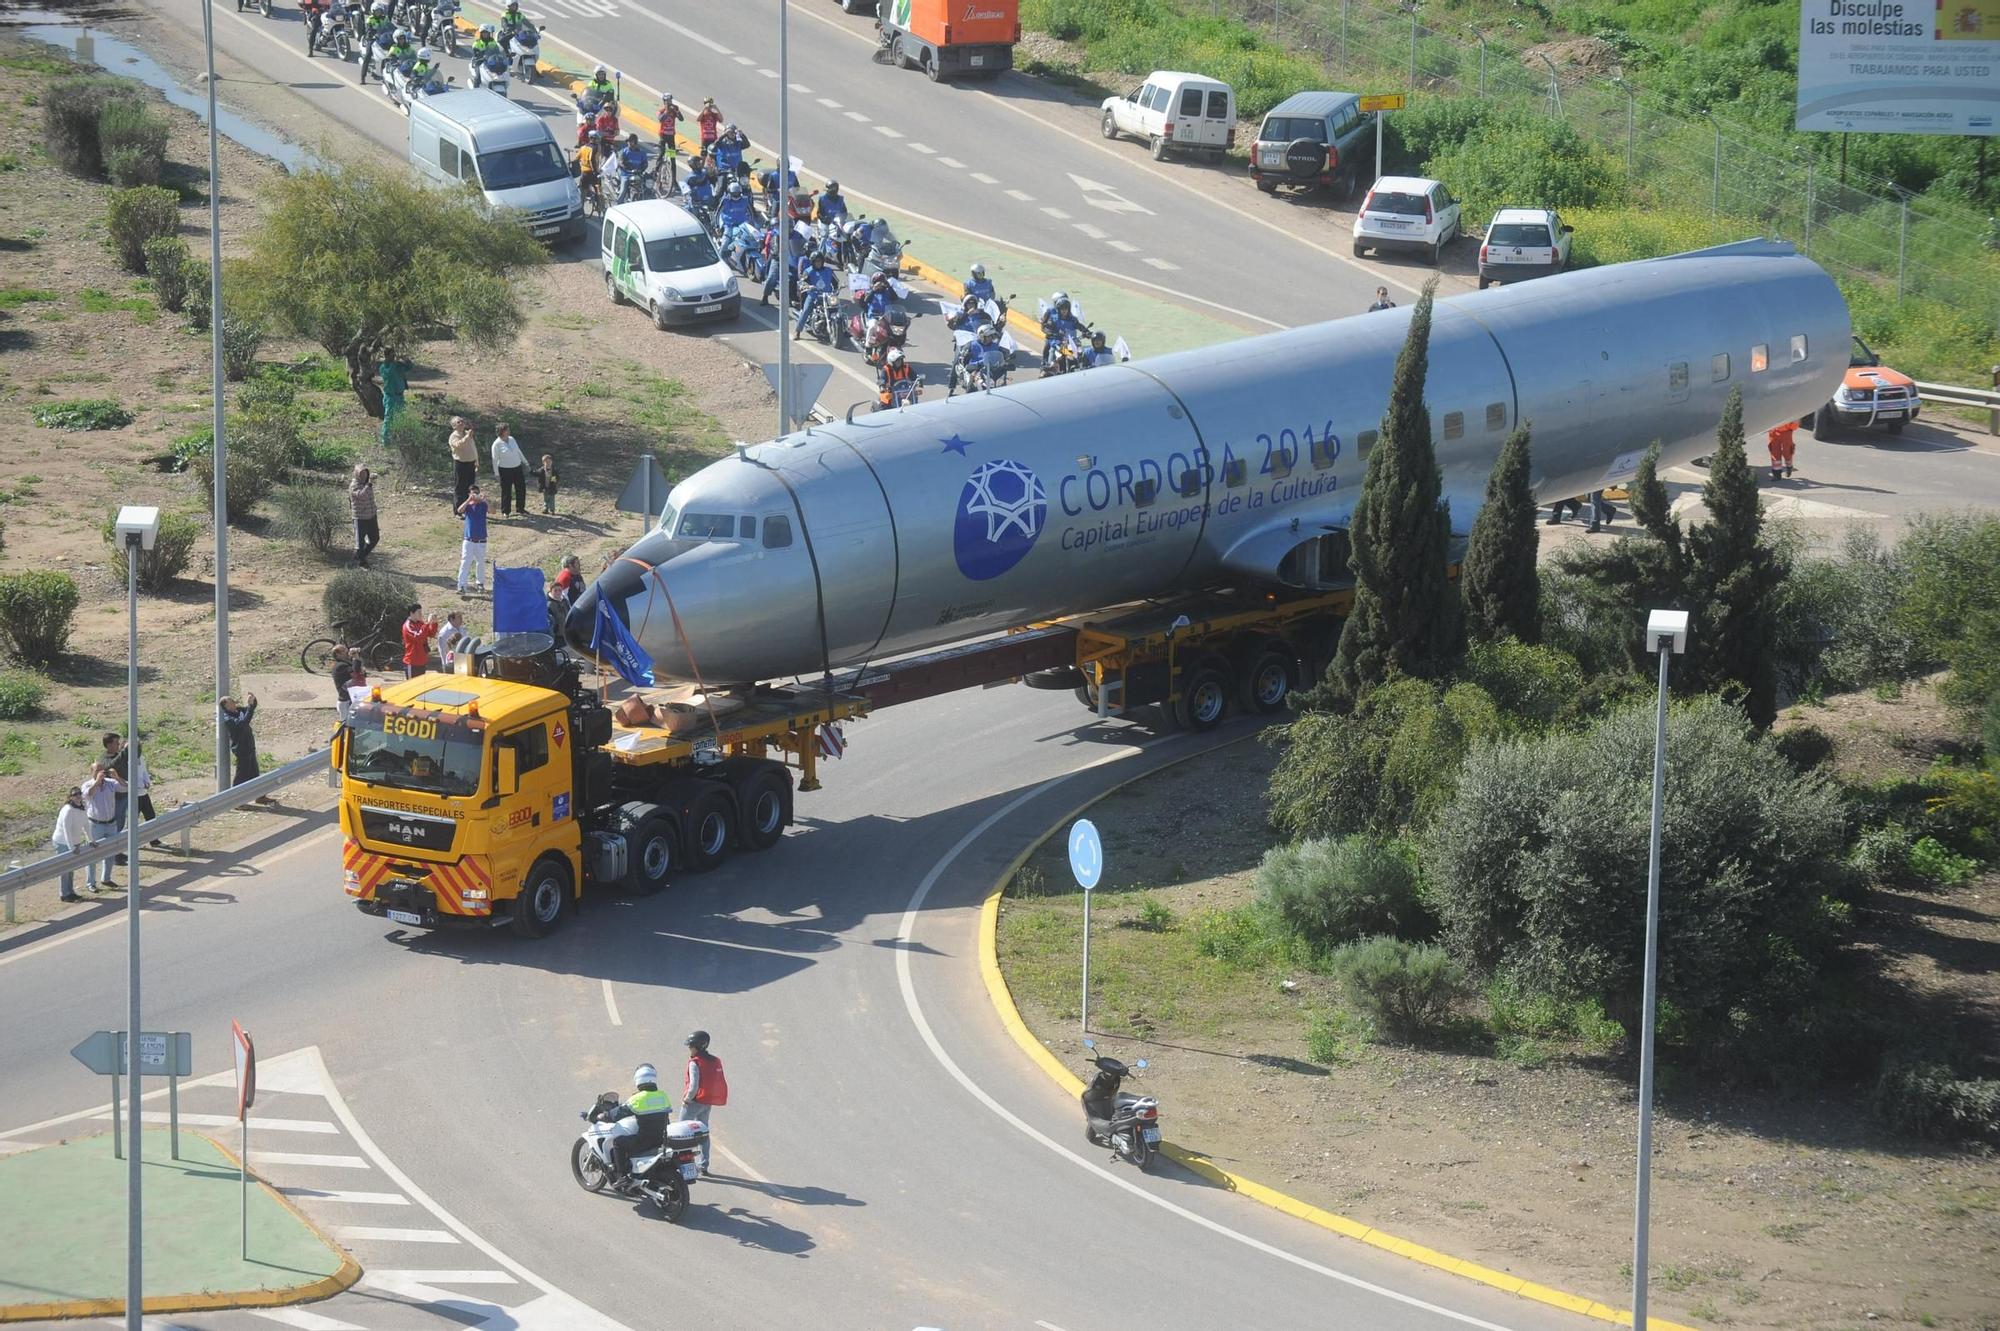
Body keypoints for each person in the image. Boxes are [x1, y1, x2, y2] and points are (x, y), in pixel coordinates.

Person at [605, 1063, 672, 1179]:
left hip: (644, 1141)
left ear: (638, 1080)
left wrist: (605, 1115)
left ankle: (622, 1176)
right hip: (663, 1139)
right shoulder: (663, 1096)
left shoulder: (638, 1099)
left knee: (618, 1142)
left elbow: (618, 1113)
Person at [682, 1031, 726, 1175]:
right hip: (708, 1101)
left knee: (681, 1132)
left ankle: (684, 1164)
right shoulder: (714, 1060)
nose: (690, 1049)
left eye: (691, 1046)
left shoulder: (695, 1063)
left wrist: (687, 1099)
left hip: (694, 1101)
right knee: (703, 1133)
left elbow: (693, 1085)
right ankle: (704, 1165)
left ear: (697, 1047)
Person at [81, 763, 122, 889]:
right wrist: (97, 782)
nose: (101, 773)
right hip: (95, 825)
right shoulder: (87, 784)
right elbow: (87, 795)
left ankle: (106, 878)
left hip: (111, 823)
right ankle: (91, 883)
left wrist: (117, 777)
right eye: (98, 770)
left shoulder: (110, 783)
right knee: (92, 854)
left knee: (111, 851)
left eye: (102, 770)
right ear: (92, 771)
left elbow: (127, 787)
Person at [218, 695, 267, 796]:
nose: (234, 702)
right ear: (226, 706)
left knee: (255, 774)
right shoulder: (229, 719)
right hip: (241, 750)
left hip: (249, 746)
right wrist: (249, 707)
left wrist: (253, 700)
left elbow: (250, 710)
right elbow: (243, 723)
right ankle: (237, 800)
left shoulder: (239, 711)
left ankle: (260, 796)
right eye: (231, 701)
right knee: (241, 776)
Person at [52, 786, 92, 902]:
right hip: (62, 842)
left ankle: (71, 891)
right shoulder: (68, 810)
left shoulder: (82, 808)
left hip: (74, 843)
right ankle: (64, 894)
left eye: (79, 794)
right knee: (65, 869)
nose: (78, 796)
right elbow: (66, 830)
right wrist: (71, 848)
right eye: (75, 795)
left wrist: (91, 840)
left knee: (71, 868)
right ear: (70, 797)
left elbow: (86, 825)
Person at [792, 251, 837, 340]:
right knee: (806, 311)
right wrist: (806, 286)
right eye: (816, 261)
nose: (818, 263)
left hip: (827, 296)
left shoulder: (829, 271)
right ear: (813, 262)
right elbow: (802, 282)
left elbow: (835, 282)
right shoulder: (808, 271)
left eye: (820, 261)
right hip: (814, 295)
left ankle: (843, 329)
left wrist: (837, 289)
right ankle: (797, 331)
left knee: (837, 309)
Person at [455, 488, 490, 595]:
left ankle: (480, 584)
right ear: (469, 494)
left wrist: (485, 500)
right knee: (465, 562)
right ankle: (461, 586)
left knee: (480, 563)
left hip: (481, 541)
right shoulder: (468, 506)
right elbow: (459, 510)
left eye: (476, 493)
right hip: (468, 540)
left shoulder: (483, 505)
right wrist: (468, 500)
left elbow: (493, 511)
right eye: (472, 493)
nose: (475, 495)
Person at [491, 424, 528, 517]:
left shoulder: (512, 439)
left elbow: (518, 451)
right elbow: (494, 460)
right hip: (504, 470)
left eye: (508, 429)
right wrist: (496, 474)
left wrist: (525, 462)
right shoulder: (496, 444)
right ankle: (505, 510)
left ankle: (520, 508)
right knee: (506, 491)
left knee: (521, 488)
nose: (508, 431)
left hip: (517, 467)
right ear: (501, 431)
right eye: (506, 430)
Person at [348, 464, 379, 567]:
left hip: (371, 516)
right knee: (360, 543)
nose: (364, 475)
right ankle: (361, 562)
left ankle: (360, 557)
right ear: (357, 474)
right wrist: (368, 485)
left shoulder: (366, 484)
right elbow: (361, 496)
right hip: (360, 518)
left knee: (375, 538)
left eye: (365, 473)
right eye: (362, 473)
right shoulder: (354, 485)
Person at [447, 417, 478, 510]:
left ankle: (468, 507)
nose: (462, 423)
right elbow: (458, 445)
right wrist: (467, 437)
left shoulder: (467, 434)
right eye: (458, 422)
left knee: (470, 486)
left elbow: (473, 447)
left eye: (462, 421)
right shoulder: (453, 436)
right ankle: (458, 510)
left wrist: (477, 460)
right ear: (454, 426)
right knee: (460, 487)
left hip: (471, 463)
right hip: (461, 464)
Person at [400, 605, 440, 677]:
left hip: (422, 661)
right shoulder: (408, 626)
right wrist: (427, 624)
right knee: (412, 686)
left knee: (421, 687)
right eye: (419, 612)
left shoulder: (420, 623)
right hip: (412, 662)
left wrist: (434, 623)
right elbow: (419, 637)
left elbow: (431, 634)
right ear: (412, 613)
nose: (421, 614)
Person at [574, 133, 603, 213]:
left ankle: (581, 209)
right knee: (598, 189)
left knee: (583, 192)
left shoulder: (583, 147)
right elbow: (592, 160)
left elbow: (576, 158)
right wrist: (595, 171)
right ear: (594, 139)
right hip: (592, 172)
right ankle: (599, 206)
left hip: (584, 173)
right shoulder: (595, 148)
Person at [331, 644, 359, 727]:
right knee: (346, 726)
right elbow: (355, 672)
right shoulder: (340, 666)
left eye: (346, 649)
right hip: (345, 702)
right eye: (343, 651)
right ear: (338, 654)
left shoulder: (344, 663)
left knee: (353, 725)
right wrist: (356, 658)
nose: (347, 651)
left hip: (349, 699)